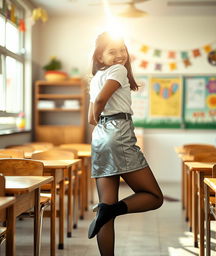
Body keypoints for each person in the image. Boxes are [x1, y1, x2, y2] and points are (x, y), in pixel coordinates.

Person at [88, 31, 163, 256]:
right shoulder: (118, 70)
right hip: (118, 133)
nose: (120, 55)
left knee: (105, 204)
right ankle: (112, 211)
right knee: (155, 197)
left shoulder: (95, 78)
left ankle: (107, 214)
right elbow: (101, 100)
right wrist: (104, 119)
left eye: (123, 50)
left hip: (100, 136)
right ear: (99, 56)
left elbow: (92, 117)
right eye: (112, 51)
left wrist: (98, 120)